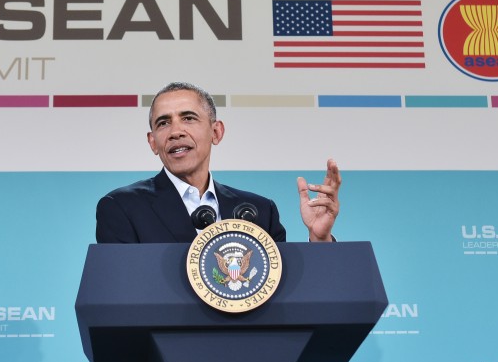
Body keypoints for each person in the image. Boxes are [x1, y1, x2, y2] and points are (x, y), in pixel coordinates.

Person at [95, 82, 341, 243]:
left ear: (216, 132)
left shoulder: (260, 211)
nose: (175, 131)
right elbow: (121, 293)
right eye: (163, 123)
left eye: (188, 118)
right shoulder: (122, 207)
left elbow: (286, 292)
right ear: (153, 142)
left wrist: (319, 241)